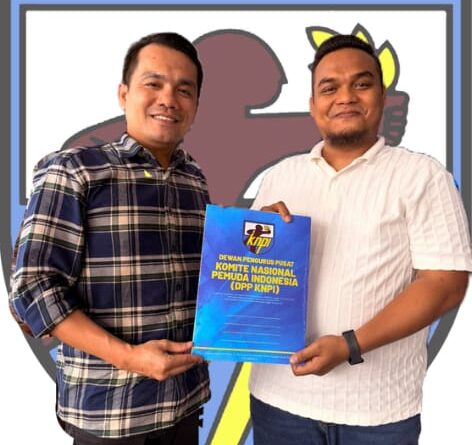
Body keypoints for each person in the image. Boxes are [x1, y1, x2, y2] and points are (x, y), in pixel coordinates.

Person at [249, 34, 472, 445]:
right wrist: (253, 240)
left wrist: (350, 345)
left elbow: (445, 284)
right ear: (313, 105)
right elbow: (249, 276)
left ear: (382, 97)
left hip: (377, 411)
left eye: (362, 83)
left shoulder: (423, 176)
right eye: (329, 88)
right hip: (278, 400)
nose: (345, 97)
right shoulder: (280, 176)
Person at [9, 32, 210, 445]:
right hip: (111, 415)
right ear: (124, 94)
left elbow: (207, 276)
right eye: (153, 83)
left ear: (195, 106)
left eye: (184, 90)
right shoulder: (76, 170)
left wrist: (259, 236)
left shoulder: (194, 180)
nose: (168, 99)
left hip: (185, 403)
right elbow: (33, 287)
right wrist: (130, 358)